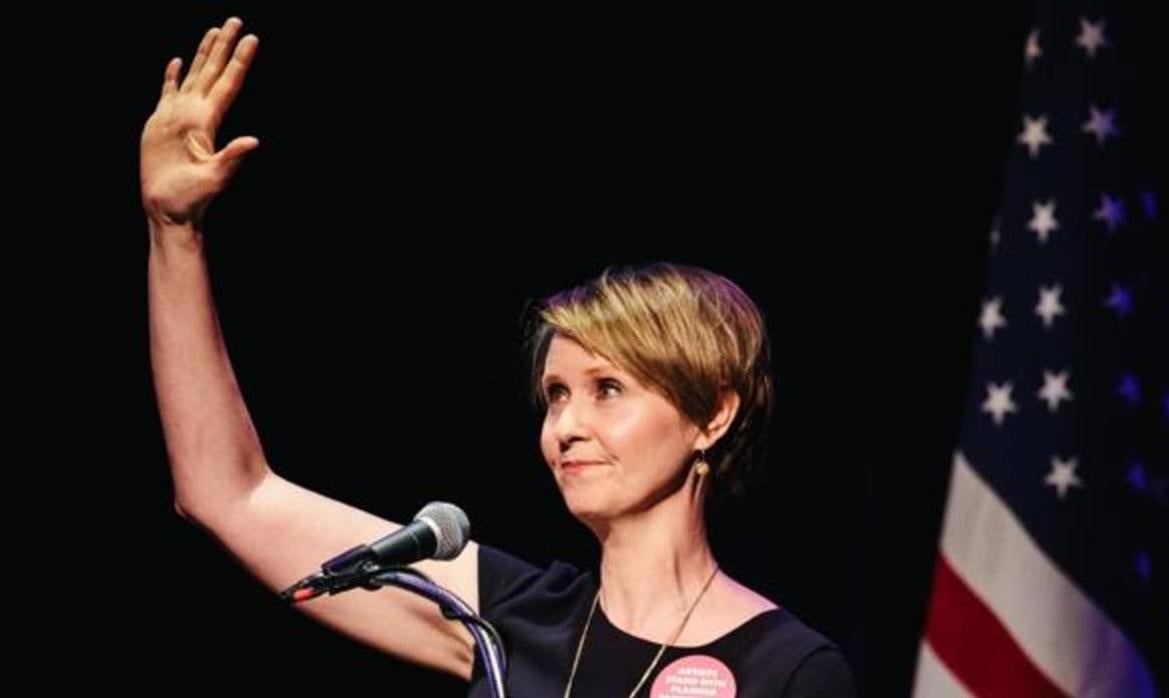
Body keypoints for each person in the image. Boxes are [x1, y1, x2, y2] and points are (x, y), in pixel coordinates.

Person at [142, 17, 855, 696]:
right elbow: (228, 495)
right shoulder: (510, 615)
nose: (566, 426)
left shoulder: (790, 669)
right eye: (556, 395)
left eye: (608, 389)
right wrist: (174, 233)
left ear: (713, 415)